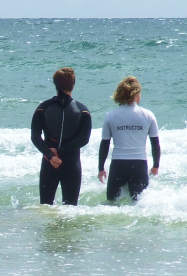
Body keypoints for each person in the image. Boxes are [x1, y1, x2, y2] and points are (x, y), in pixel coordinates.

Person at [30, 67, 92, 206]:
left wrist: (51, 155)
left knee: (45, 207)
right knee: (70, 209)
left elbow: (35, 136)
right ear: (73, 85)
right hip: (71, 163)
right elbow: (83, 139)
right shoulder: (83, 111)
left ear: (55, 84)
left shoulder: (43, 108)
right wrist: (61, 152)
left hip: (49, 162)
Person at [98, 76, 161, 201]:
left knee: (111, 203)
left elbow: (104, 144)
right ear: (136, 94)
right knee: (138, 205)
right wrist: (155, 166)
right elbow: (155, 144)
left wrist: (101, 168)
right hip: (139, 164)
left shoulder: (110, 115)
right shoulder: (148, 115)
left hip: (118, 165)